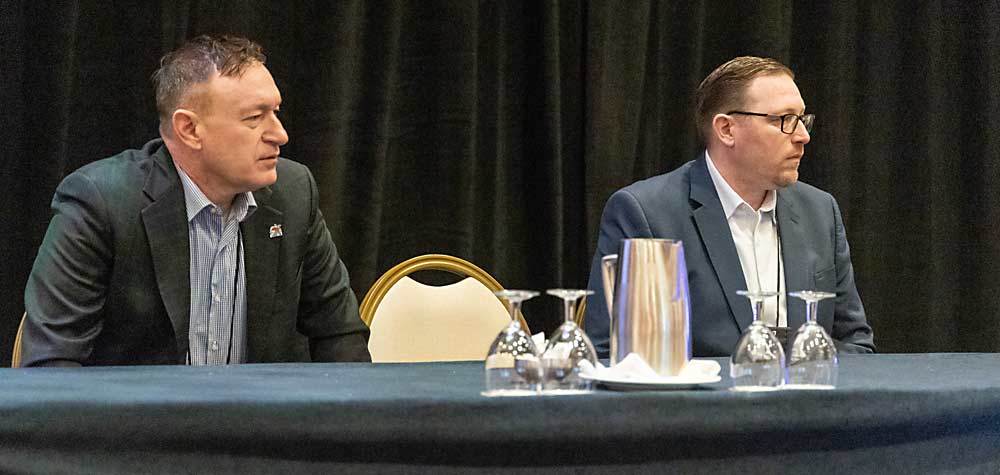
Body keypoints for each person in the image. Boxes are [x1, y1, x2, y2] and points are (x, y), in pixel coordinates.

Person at [21, 35, 371, 366]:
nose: (280, 134)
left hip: (258, 426)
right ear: (189, 129)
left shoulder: (295, 193)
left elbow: (341, 337)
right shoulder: (100, 203)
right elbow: (53, 363)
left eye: (276, 112)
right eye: (254, 118)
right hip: (136, 427)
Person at [585, 56, 875, 358]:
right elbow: (611, 353)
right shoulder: (645, 213)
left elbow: (855, 342)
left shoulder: (820, 210)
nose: (803, 136)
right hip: (699, 402)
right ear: (726, 129)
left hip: (805, 402)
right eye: (784, 120)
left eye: (803, 120)